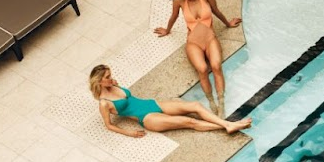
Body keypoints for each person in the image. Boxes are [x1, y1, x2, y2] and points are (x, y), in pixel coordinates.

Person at [89, 64, 251, 138]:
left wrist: (113, 83)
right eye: (108, 77)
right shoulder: (104, 103)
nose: (111, 78)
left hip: (151, 104)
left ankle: (227, 124)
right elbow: (109, 125)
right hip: (147, 118)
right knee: (189, 122)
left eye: (110, 75)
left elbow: (127, 97)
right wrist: (129, 133)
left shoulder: (113, 84)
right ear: (99, 81)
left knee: (195, 106)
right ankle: (227, 126)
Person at [154, 0, 240, 110]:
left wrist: (228, 23)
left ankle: (221, 103)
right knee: (202, 69)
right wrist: (167, 30)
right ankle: (211, 102)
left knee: (216, 66)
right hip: (194, 42)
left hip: (210, 39)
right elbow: (174, 16)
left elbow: (215, 10)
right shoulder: (179, 1)